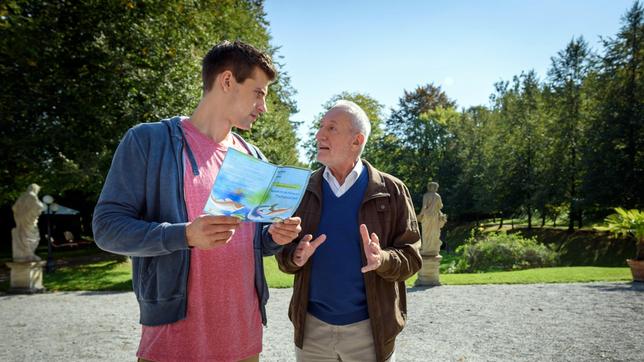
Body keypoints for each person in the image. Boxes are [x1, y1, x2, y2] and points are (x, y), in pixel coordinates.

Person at [93, 40, 302, 362]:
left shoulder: (252, 156)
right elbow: (107, 229)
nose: (264, 107)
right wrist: (186, 235)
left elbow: (254, 241)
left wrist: (274, 237)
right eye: (259, 93)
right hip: (173, 342)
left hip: (244, 340)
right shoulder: (149, 141)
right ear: (228, 81)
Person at [275, 100, 422, 362]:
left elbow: (411, 258)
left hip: (370, 332)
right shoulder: (301, 190)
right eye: (321, 127)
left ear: (356, 141)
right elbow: (283, 255)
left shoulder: (393, 191)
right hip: (312, 333)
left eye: (331, 128)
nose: (319, 134)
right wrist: (294, 256)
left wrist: (382, 259)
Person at [11, 183, 44, 262]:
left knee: (23, 234)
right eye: (38, 190)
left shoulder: (22, 196)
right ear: (35, 189)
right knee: (34, 236)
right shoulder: (32, 195)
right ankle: (29, 254)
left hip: (21, 219)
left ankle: (27, 254)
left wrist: (19, 215)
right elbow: (39, 206)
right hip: (29, 219)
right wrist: (30, 213)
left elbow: (14, 207)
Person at [417, 181, 447, 256]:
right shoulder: (438, 196)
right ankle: (433, 249)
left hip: (427, 216)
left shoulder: (426, 195)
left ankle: (426, 249)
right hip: (435, 216)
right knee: (434, 232)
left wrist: (420, 215)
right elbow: (440, 206)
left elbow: (424, 207)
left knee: (426, 233)